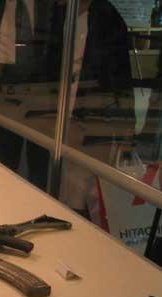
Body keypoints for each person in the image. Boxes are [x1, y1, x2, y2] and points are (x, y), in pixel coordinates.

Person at [47, 0, 134, 223]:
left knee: (87, 187)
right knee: (64, 183)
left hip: (93, 114)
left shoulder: (106, 17)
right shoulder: (60, 14)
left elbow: (120, 76)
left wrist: (127, 128)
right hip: (62, 111)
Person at [0, 0, 54, 190]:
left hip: (39, 90)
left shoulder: (47, 3)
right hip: (2, 88)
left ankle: (37, 202)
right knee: (4, 159)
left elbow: (57, 40)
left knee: (40, 161)